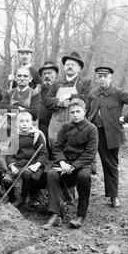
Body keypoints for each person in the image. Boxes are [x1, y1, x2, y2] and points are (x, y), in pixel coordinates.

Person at [86, 65, 128, 208]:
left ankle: (113, 196)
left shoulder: (117, 92)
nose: (102, 79)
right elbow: (87, 112)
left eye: (105, 76)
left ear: (110, 78)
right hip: (92, 134)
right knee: (84, 162)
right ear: (96, 78)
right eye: (99, 76)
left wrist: (125, 119)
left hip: (110, 135)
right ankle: (77, 194)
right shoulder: (92, 94)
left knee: (110, 165)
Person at [42, 98, 98, 229]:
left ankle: (80, 215)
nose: (75, 114)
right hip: (66, 162)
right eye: (72, 112)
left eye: (78, 111)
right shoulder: (66, 126)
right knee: (51, 174)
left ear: (84, 112)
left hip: (84, 164)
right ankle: (54, 214)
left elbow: (90, 153)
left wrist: (73, 167)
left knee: (84, 177)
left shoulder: (92, 129)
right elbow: (57, 147)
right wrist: (62, 162)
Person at [0, 67, 41, 186]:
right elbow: (1, 108)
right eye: (19, 76)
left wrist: (14, 110)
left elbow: (34, 113)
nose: (22, 79)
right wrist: (19, 108)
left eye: (25, 76)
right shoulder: (10, 93)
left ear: (30, 79)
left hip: (26, 136)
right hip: (10, 132)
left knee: (16, 155)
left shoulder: (35, 95)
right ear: (16, 78)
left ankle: (16, 179)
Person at [44, 52, 91, 146]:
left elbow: (88, 98)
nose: (70, 67)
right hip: (57, 124)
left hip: (76, 122)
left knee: (75, 147)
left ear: (79, 68)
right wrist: (59, 103)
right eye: (67, 64)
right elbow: (47, 100)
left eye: (73, 65)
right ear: (64, 67)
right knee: (56, 146)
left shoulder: (85, 82)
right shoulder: (57, 83)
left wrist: (71, 96)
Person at [3, 110, 48, 208]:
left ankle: (24, 198)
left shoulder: (37, 135)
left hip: (33, 165)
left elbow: (44, 154)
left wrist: (37, 165)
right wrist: (12, 165)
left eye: (27, 121)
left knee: (27, 174)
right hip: (19, 164)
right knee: (7, 180)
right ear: (17, 123)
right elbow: (9, 154)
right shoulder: (15, 136)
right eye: (21, 121)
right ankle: (12, 199)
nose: (24, 124)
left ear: (31, 122)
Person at [38, 60, 60, 158]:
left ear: (56, 75)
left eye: (50, 73)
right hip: (40, 127)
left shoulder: (60, 89)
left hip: (55, 127)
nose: (47, 76)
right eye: (44, 74)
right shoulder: (38, 90)